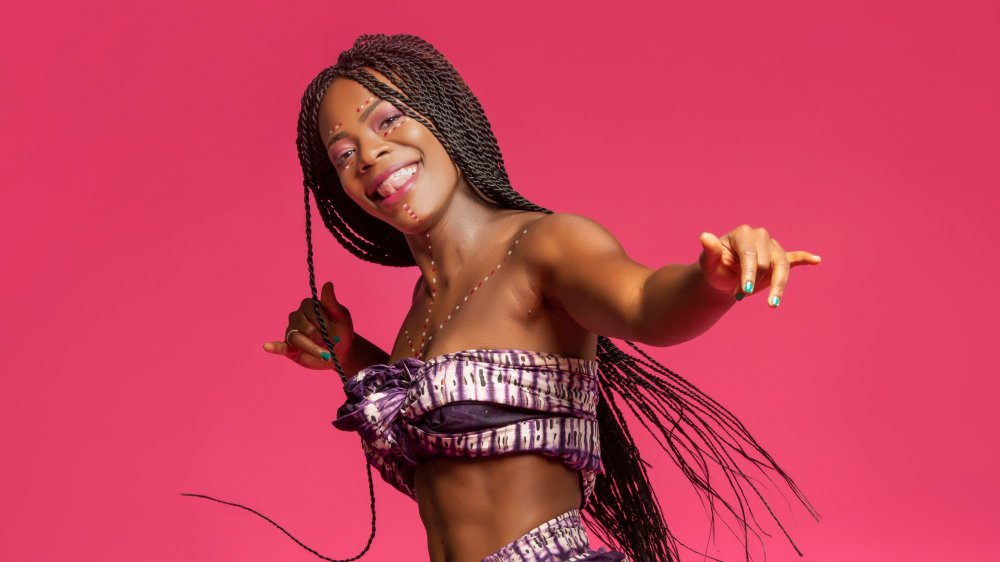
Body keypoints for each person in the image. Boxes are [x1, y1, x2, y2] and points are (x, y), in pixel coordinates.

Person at [186, 34, 822, 562]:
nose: (370, 154)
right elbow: (451, 444)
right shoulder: (420, 316)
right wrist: (351, 356)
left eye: (388, 119)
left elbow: (646, 305)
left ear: (444, 115)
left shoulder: (546, 246)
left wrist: (710, 281)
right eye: (344, 153)